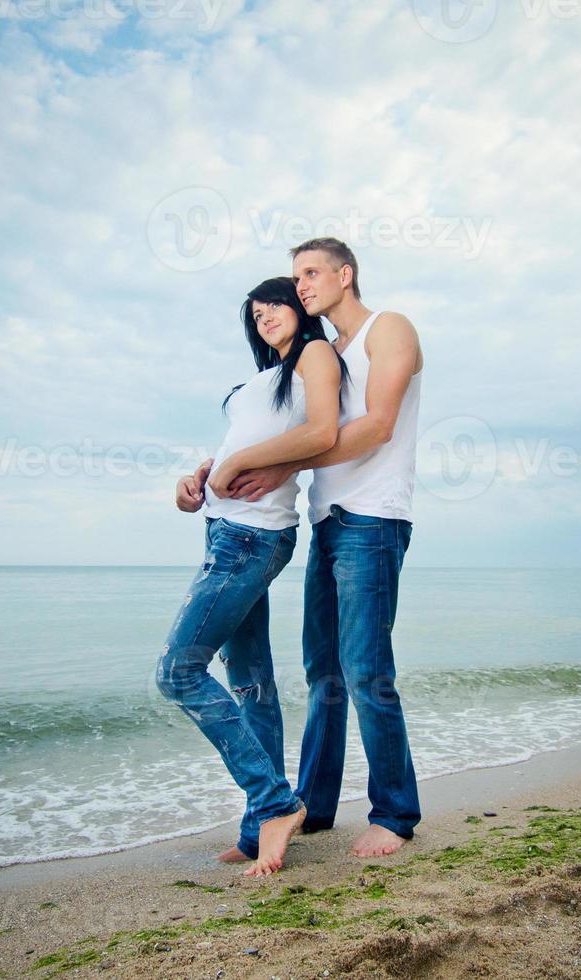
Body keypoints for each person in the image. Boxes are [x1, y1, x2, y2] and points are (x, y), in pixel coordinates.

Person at [222, 238, 425, 859]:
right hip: (328, 522)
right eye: (296, 275)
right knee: (323, 674)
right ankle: (313, 809)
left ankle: (394, 813)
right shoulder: (325, 353)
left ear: (346, 273)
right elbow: (295, 435)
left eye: (312, 273)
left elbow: (377, 425)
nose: (302, 285)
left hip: (375, 519)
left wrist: (284, 466)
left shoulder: (387, 329)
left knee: (365, 669)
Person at [159, 276, 348, 876]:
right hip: (223, 529)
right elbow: (245, 445)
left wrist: (238, 463)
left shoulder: (316, 355)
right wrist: (201, 475)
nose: (265, 315)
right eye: (256, 311)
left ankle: (274, 803)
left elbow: (323, 431)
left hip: (253, 536)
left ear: (300, 308)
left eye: (276, 304)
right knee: (251, 685)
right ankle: (257, 829)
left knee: (178, 671)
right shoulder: (258, 383)